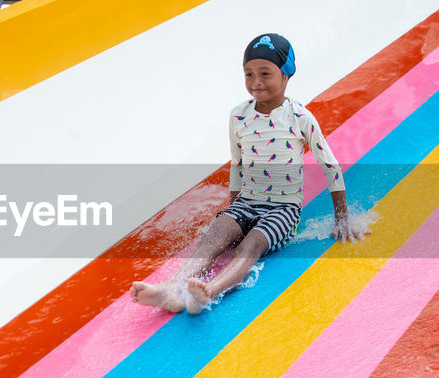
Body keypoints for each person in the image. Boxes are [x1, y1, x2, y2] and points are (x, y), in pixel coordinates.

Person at [131, 33, 361, 315]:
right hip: (246, 202)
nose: (256, 82)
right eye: (249, 74)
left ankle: (208, 292)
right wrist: (233, 215)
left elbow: (330, 165)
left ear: (286, 76)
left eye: (265, 74)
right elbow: (238, 164)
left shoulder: (299, 117)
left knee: (250, 246)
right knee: (215, 235)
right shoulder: (238, 115)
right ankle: (173, 290)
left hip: (283, 208)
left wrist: (342, 217)